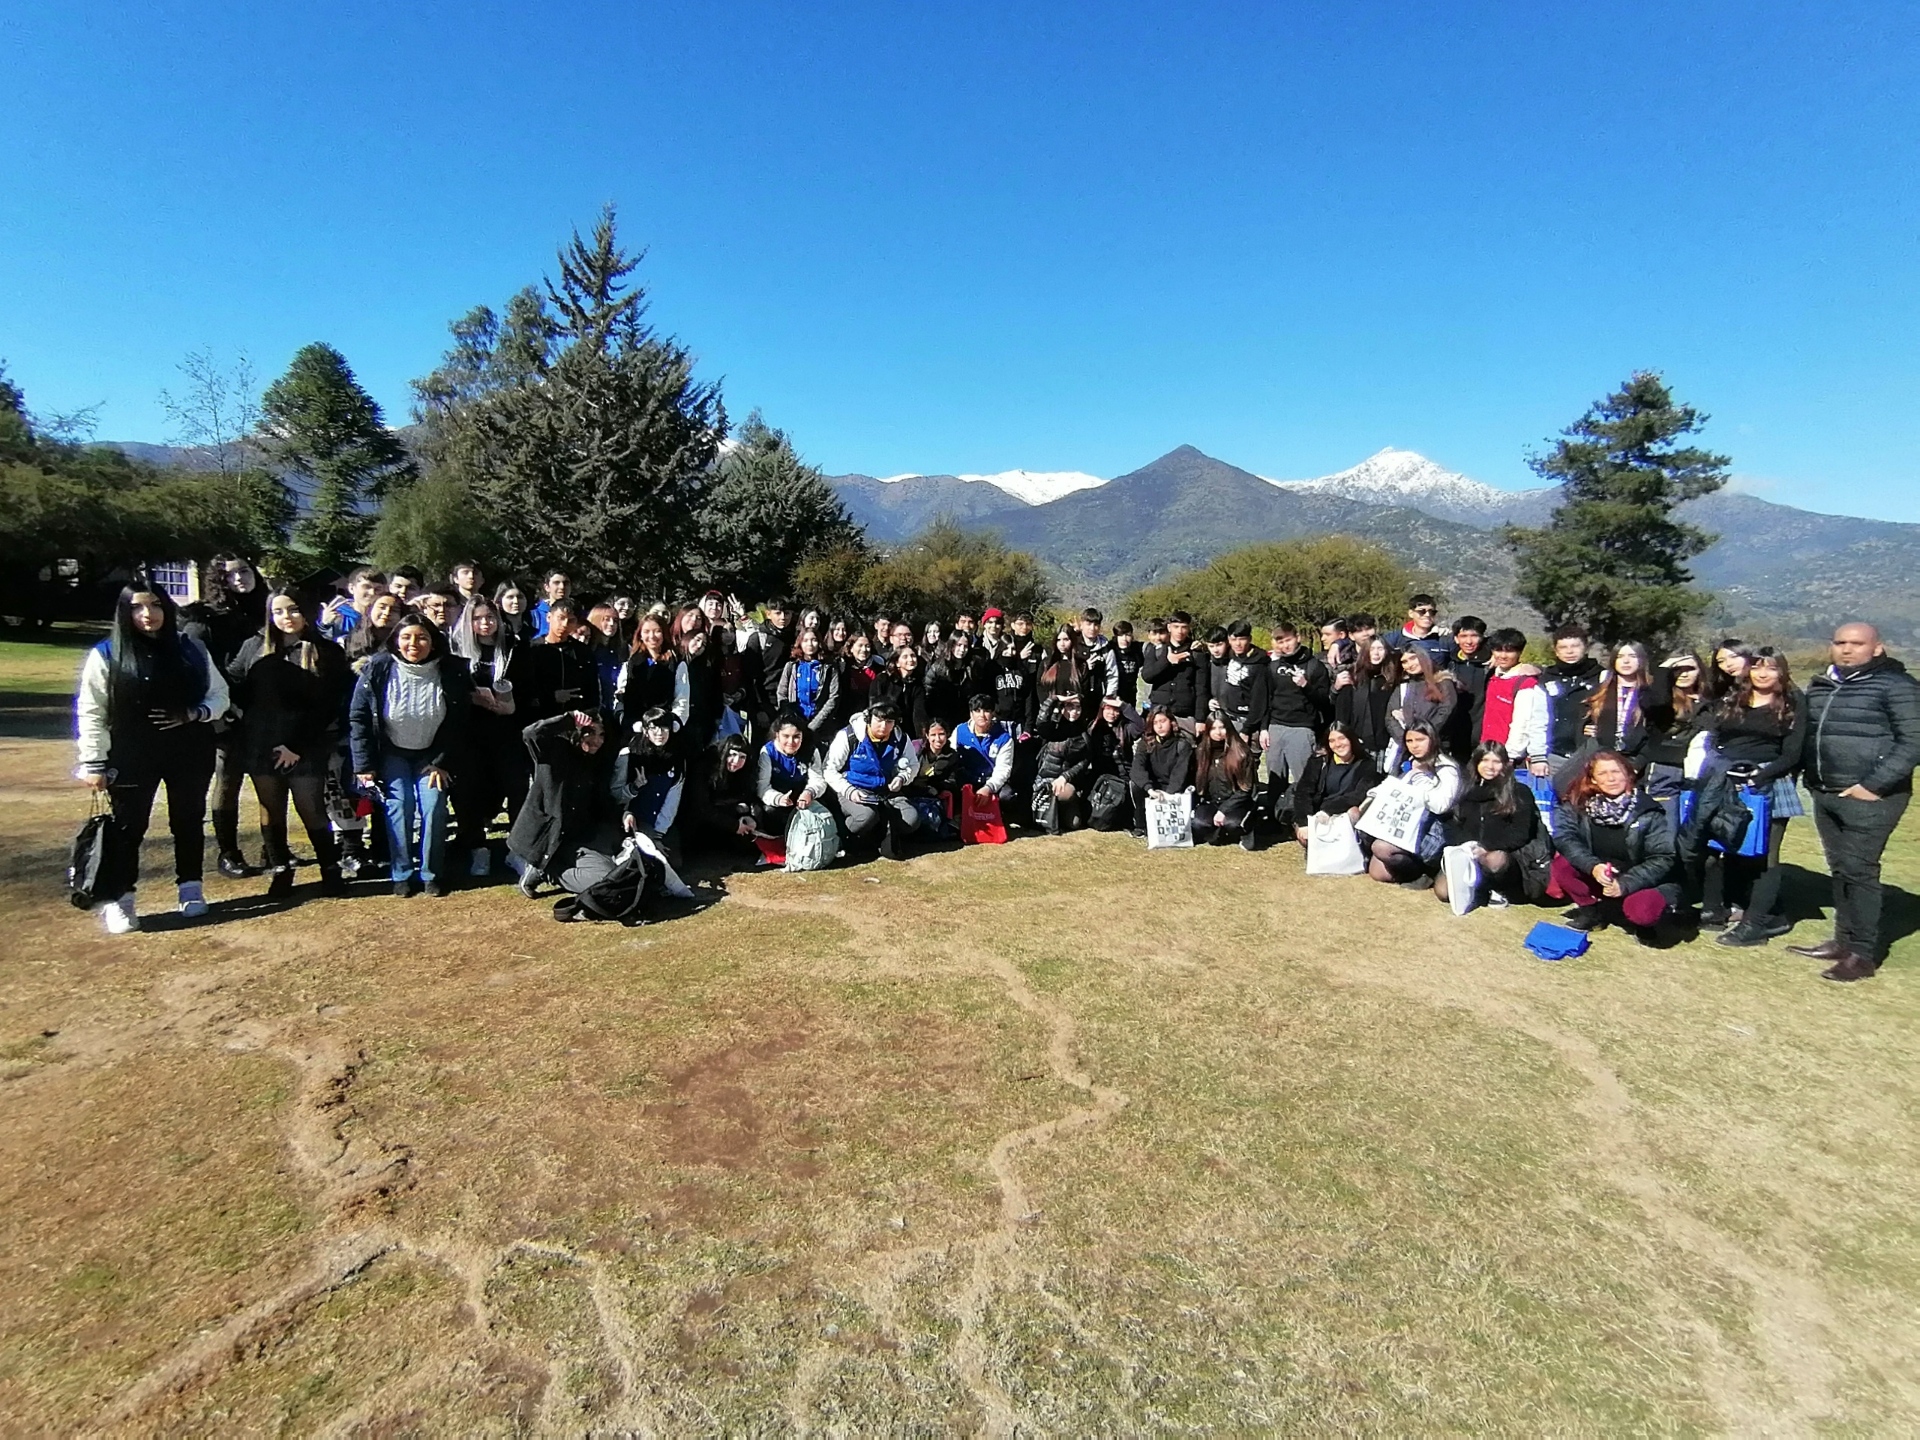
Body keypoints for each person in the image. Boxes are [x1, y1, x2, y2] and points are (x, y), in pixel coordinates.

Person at [74, 585, 231, 932]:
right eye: (138, 607)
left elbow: (220, 695)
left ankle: (190, 888)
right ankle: (121, 899)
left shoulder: (191, 648)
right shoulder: (107, 654)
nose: (149, 614)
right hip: (131, 753)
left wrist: (196, 713)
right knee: (128, 828)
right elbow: (91, 711)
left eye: (156, 605)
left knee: (188, 821)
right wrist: (93, 762)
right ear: (125, 612)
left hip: (188, 750)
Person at [1790, 623, 1920, 980]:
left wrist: (1873, 785)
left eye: (1857, 643)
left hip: (1871, 796)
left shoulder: (1898, 686)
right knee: (1841, 868)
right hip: (1825, 790)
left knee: (1860, 870)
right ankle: (1842, 941)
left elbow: (1913, 741)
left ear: (1877, 648)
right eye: (1840, 643)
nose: (1847, 649)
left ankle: (1862, 954)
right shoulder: (1823, 684)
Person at [226, 586, 353, 897]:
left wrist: (296, 746)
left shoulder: (327, 652)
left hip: (306, 744)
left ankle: (330, 869)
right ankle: (280, 869)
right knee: (270, 808)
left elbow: (328, 705)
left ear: (306, 611)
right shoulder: (254, 647)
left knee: (310, 807)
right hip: (261, 742)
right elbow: (232, 685)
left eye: (293, 609)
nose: (287, 617)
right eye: (278, 611)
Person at [349, 613, 473, 897]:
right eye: (406, 637)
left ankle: (432, 873)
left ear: (433, 642)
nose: (413, 644)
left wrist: (442, 763)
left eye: (422, 638)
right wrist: (364, 766)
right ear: (395, 641)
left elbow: (459, 722)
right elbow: (359, 718)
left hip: (433, 756)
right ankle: (402, 873)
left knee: (434, 807)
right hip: (393, 752)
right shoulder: (378, 669)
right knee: (399, 807)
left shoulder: (451, 670)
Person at [1690, 647, 1806, 948]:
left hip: (1768, 781)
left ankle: (1755, 925)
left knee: (1765, 856)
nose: (1763, 673)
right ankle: (1714, 910)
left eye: (1770, 668)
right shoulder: (1733, 699)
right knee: (1713, 847)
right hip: (1723, 777)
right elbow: (1714, 737)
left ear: (1781, 671)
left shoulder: (1793, 702)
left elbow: (1793, 752)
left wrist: (1760, 775)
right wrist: (1719, 765)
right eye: (1757, 667)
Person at [181, 554, 266, 879]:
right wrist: (222, 708)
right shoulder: (204, 619)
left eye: (245, 570)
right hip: (224, 713)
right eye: (231, 574)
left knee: (271, 782)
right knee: (228, 780)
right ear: (218, 580)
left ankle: (273, 848)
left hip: (265, 711)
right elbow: (198, 668)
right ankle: (228, 854)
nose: (241, 578)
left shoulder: (266, 610)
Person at [1552, 750, 1681, 944]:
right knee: (1562, 865)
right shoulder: (1578, 805)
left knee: (1643, 912)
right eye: (1602, 774)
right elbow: (1565, 838)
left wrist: (1626, 883)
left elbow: (1662, 857)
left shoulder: (1649, 811)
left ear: (1628, 774)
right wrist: (1593, 866)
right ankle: (1591, 912)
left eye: (1616, 772)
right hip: (1600, 872)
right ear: (1593, 780)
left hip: (1639, 879)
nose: (1611, 778)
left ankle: (1641, 922)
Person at [449, 595, 528, 879]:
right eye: (479, 618)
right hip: (470, 734)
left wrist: (509, 703)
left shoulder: (512, 648)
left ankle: (517, 850)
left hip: (507, 730)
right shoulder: (457, 652)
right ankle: (477, 849)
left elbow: (525, 685)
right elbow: (451, 691)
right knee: (470, 794)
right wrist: (473, 698)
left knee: (517, 788)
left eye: (491, 618)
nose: (486, 623)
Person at [505, 709, 624, 896]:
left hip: (578, 838)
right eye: (590, 732)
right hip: (548, 838)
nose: (597, 740)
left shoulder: (597, 762)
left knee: (613, 878)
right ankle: (547, 871)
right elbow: (530, 734)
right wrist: (568, 719)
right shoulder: (553, 751)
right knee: (602, 886)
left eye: (601, 735)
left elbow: (602, 800)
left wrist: (625, 817)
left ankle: (551, 868)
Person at [1436, 742, 1544, 910]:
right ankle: (1478, 888)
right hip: (1468, 853)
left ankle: (1497, 889)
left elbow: (1521, 833)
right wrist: (1463, 847)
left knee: (1495, 860)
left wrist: (1486, 847)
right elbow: (1452, 824)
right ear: (1476, 762)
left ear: (1505, 764)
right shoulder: (1465, 790)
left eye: (1496, 761)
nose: (1490, 767)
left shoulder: (1518, 792)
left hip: (1505, 856)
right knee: (1443, 893)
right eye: (1485, 760)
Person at [1363, 722, 1460, 886]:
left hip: (1430, 829)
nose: (1415, 745)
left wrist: (1421, 783)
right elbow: (1392, 785)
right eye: (1410, 741)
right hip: (1401, 824)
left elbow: (1441, 806)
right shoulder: (1407, 761)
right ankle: (1406, 867)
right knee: (1377, 872)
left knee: (1381, 848)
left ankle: (1422, 872)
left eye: (1420, 739)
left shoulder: (1446, 768)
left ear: (1432, 738)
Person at [825, 703, 922, 859]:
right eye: (879, 720)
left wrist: (902, 778)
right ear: (869, 719)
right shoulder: (849, 736)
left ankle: (881, 835)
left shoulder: (901, 738)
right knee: (866, 817)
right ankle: (843, 838)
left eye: (889, 722)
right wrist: (849, 790)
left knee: (912, 820)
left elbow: (913, 764)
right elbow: (829, 770)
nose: (884, 726)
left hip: (887, 790)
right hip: (854, 788)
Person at [1263, 624, 1329, 823]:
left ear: (1297, 637)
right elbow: (1266, 699)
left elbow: (1324, 701)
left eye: (1288, 640)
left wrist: (1305, 686)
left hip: (1301, 728)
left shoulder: (1314, 666)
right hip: (1276, 726)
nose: (1285, 645)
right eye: (1280, 641)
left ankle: (1305, 821)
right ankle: (1274, 820)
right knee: (1275, 778)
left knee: (1303, 780)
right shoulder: (1273, 667)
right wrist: (1264, 728)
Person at [1291, 722, 1380, 847]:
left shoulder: (1366, 764)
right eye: (1332, 741)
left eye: (1342, 738)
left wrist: (1328, 811)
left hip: (1344, 811)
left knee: (1353, 813)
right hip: (1317, 812)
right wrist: (1304, 822)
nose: (1338, 744)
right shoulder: (1319, 761)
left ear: (1351, 739)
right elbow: (1304, 791)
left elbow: (1358, 795)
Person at [620, 707, 689, 863]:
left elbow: (673, 798)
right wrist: (635, 786)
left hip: (660, 824)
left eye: (665, 727)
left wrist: (658, 833)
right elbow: (615, 794)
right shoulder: (630, 754)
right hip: (634, 820)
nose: (660, 733)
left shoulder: (677, 759)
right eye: (654, 727)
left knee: (673, 861)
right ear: (645, 730)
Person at [1479, 629, 1550, 777]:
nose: (1503, 656)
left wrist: (1510, 755)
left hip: (1506, 756)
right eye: (1498, 650)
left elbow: (1523, 722)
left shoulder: (1526, 683)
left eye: (1509, 651)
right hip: (1487, 749)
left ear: (1519, 652)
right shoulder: (1493, 675)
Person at [757, 715, 832, 853]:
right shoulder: (767, 752)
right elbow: (762, 787)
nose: (791, 741)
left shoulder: (811, 750)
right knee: (769, 811)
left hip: (804, 795)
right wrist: (778, 798)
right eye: (786, 736)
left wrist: (809, 792)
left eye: (796, 736)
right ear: (777, 735)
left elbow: (818, 780)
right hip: (778, 798)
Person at [1542, 625, 1604, 782]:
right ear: (1556, 651)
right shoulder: (1545, 677)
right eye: (1563, 647)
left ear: (1586, 647)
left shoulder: (1602, 677)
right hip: (1553, 755)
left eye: (1575, 646)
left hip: (1589, 754)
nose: (1569, 652)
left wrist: (1604, 728)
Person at [616, 613, 690, 736]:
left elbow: (682, 698)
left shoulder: (676, 663)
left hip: (664, 728)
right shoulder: (631, 663)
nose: (652, 636)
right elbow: (621, 693)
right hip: (636, 727)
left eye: (657, 631)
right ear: (640, 634)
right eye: (646, 631)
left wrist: (675, 722)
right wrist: (629, 721)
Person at [523, 598, 596, 723]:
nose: (565, 624)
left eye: (571, 620)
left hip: (575, 721)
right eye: (560, 618)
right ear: (549, 617)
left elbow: (592, 689)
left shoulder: (582, 651)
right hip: (538, 720)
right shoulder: (531, 649)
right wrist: (551, 697)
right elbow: (524, 689)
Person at [1333, 637, 1401, 771]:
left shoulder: (1392, 677)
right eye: (1372, 649)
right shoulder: (1353, 676)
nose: (1376, 653)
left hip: (1384, 741)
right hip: (1358, 739)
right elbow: (1342, 711)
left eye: (1380, 649)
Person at [1128, 705, 1195, 838]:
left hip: (1174, 788)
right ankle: (1140, 825)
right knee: (1135, 784)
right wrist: (1150, 789)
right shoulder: (1146, 743)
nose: (1159, 726)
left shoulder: (1182, 745)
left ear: (1171, 722)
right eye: (1155, 723)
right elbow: (1137, 768)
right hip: (1153, 787)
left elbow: (1180, 774)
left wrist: (1168, 794)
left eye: (1163, 721)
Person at [1031, 694, 1095, 834]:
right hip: (1045, 779)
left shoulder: (1083, 734)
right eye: (1070, 706)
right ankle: (1049, 809)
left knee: (1074, 823)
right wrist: (1054, 699)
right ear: (1062, 708)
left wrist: (1065, 777)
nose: (1074, 711)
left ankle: (1059, 808)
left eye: (1078, 707)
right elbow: (1040, 721)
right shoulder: (1052, 728)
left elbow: (1084, 762)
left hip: (1066, 781)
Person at [1191, 714, 1257, 849]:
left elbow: (1245, 789)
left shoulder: (1241, 753)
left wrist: (1224, 810)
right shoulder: (1201, 751)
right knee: (1199, 823)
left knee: (1231, 823)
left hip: (1236, 802)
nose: (1218, 732)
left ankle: (1243, 830)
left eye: (1222, 727)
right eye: (1213, 728)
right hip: (1212, 801)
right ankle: (1216, 832)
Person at [1583, 642, 1653, 763]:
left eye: (1632, 656)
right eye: (1620, 657)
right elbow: (1582, 723)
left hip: (1636, 761)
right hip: (1601, 760)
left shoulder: (1650, 692)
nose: (1626, 661)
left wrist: (1638, 763)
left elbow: (1656, 735)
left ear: (1641, 660)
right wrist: (1585, 730)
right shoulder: (1599, 690)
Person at [1387, 646, 1459, 757]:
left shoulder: (1443, 683)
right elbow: (1390, 717)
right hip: (1407, 749)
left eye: (1413, 658)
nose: (1409, 664)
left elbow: (1446, 711)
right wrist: (1407, 739)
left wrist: (1424, 736)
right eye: (1404, 662)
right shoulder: (1403, 687)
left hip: (1436, 747)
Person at [740, 599, 797, 735]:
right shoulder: (757, 638)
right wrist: (759, 709)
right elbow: (750, 677)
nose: (783, 617)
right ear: (768, 614)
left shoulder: (794, 638)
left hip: (789, 702)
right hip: (764, 703)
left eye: (787, 613)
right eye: (778, 613)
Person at [777, 627, 843, 744]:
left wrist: (813, 725)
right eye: (806, 640)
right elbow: (782, 693)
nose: (810, 644)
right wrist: (792, 719)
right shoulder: (792, 666)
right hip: (794, 725)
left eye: (814, 640)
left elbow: (834, 697)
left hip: (821, 726)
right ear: (800, 643)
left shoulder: (829, 667)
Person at [1209, 622, 1270, 740]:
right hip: (1227, 719)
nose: (1238, 643)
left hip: (1248, 722)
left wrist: (1247, 730)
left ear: (1249, 639)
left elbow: (1260, 701)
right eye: (1234, 639)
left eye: (1242, 639)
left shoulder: (1259, 664)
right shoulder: (1229, 655)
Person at [1142, 611, 1205, 724]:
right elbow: (1147, 677)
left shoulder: (1196, 652)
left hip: (1185, 714)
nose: (1180, 631)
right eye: (1176, 627)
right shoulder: (1157, 650)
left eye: (1184, 627)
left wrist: (1200, 720)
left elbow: (1201, 688)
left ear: (1189, 628)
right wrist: (1167, 661)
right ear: (1169, 627)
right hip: (1159, 711)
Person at [955, 695, 1017, 805]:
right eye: (977, 711)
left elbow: (1003, 769)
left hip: (991, 779)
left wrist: (989, 788)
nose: (982, 715)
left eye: (987, 711)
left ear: (993, 713)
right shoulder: (960, 731)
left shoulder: (1004, 738)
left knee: (1007, 796)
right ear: (971, 714)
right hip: (967, 778)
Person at [868, 642, 931, 738]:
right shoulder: (883, 679)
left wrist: (921, 737)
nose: (911, 659)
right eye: (905, 657)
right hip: (884, 727)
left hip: (906, 732)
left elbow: (919, 714)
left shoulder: (917, 685)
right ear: (897, 662)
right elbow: (875, 705)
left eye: (913, 656)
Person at [319, 566, 385, 642]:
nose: (372, 593)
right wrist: (325, 625)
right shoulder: (338, 614)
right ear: (351, 588)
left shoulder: (386, 613)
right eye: (366, 587)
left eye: (378, 589)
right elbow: (325, 641)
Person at [1389, 594, 1452, 669]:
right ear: (1411, 613)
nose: (1427, 615)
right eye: (1422, 611)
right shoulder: (1394, 639)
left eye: (1432, 612)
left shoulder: (1444, 638)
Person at [1038, 625, 1093, 710]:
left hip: (1073, 714)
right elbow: (1040, 688)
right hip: (1051, 712)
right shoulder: (1046, 663)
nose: (1062, 644)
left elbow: (1085, 693)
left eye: (1066, 639)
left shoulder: (1081, 665)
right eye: (1058, 640)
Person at [343, 592, 401, 669]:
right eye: (382, 607)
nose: (387, 613)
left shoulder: (401, 645)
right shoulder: (348, 641)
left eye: (394, 610)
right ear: (370, 610)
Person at [528, 570, 571, 640]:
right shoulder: (534, 615)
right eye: (556, 583)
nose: (562, 586)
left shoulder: (578, 614)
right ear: (547, 587)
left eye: (566, 583)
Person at [493, 579, 533, 645]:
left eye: (520, 597)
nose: (516, 601)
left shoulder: (533, 632)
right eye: (510, 597)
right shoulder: (495, 633)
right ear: (499, 600)